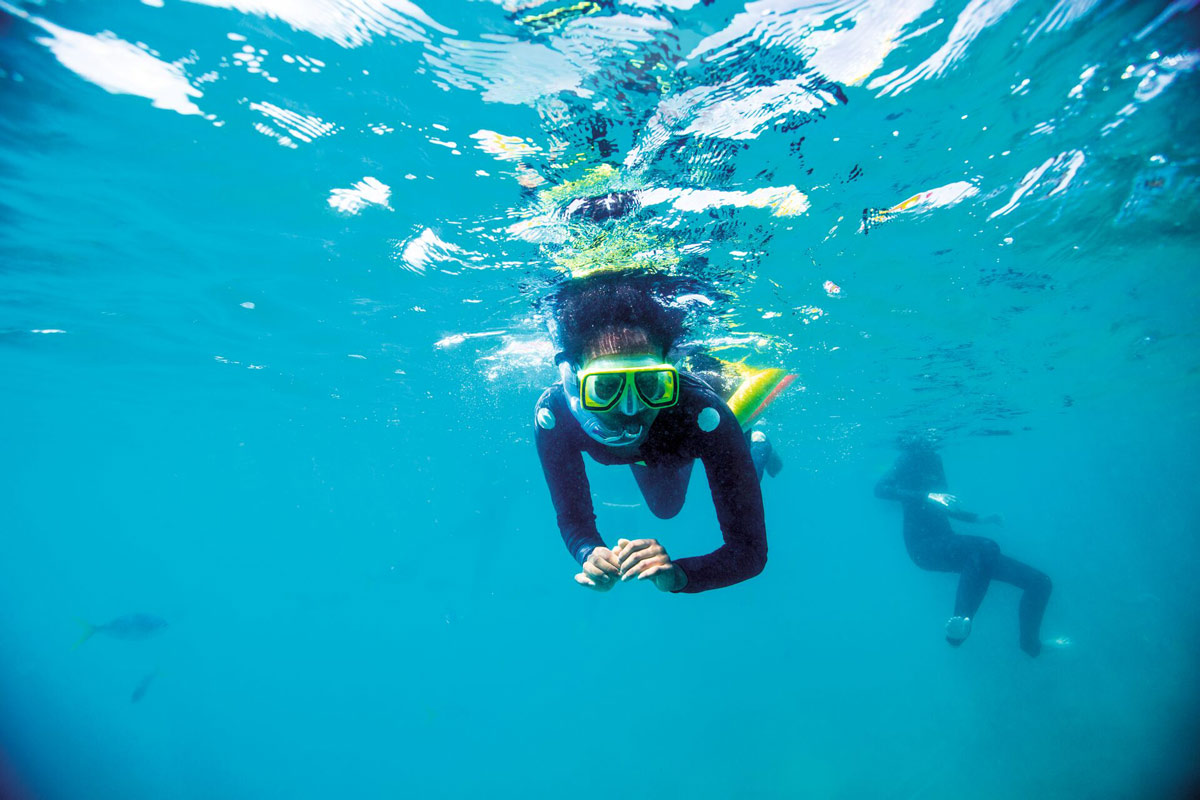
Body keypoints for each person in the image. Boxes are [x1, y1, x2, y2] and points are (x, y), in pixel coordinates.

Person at [533, 276, 783, 594]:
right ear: (576, 383)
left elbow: (749, 552)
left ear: (670, 373)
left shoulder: (703, 412)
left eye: (650, 384)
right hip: (658, 454)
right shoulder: (556, 415)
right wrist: (589, 552)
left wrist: (678, 575)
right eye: (607, 387)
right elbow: (572, 518)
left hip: (690, 438)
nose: (629, 409)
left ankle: (756, 442)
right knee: (665, 507)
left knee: (727, 471)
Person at [875, 437, 1056, 656]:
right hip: (923, 548)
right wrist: (927, 495)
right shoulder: (908, 458)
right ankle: (959, 627)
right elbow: (880, 489)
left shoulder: (935, 459)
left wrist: (980, 518)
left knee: (1040, 582)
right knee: (986, 547)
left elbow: (944, 503)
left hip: (948, 541)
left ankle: (1032, 646)